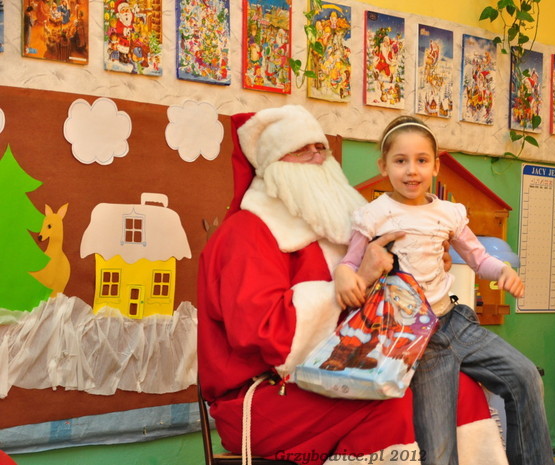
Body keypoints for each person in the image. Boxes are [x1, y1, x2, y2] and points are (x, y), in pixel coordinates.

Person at [198, 105, 506, 465]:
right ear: (274, 165)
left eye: (321, 148)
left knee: (458, 388)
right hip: (264, 397)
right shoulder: (246, 234)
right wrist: (359, 280)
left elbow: (379, 299)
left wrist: (425, 267)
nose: (318, 157)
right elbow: (264, 332)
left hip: (337, 371)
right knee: (391, 403)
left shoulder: (333, 226)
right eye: (302, 150)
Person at [334, 115, 554, 465]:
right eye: (400, 161)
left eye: (421, 160)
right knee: (438, 451)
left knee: (525, 377)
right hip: (418, 341)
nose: (412, 171)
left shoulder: (449, 213)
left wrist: (504, 270)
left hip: (456, 323)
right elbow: (351, 262)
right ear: (383, 166)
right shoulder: (374, 215)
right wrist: (344, 276)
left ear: (435, 166)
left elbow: (479, 258)